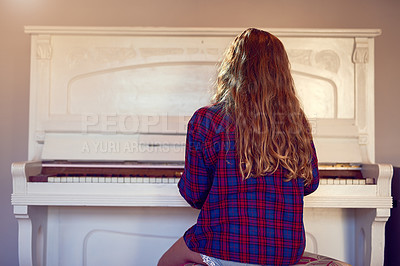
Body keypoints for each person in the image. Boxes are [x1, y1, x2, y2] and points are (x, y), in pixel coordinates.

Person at [158, 28, 319, 266]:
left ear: (232, 70)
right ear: (282, 73)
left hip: (224, 246)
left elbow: (194, 194)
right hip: (284, 254)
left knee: (165, 263)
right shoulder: (296, 122)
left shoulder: (207, 119)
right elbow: (310, 183)